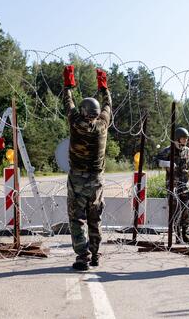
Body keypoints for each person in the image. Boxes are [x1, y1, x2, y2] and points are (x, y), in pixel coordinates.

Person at [62, 65, 112, 271]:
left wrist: (68, 84)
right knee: (95, 217)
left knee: (77, 219)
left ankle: (82, 256)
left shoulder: (76, 122)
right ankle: (95, 253)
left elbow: (68, 102)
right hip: (96, 181)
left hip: (78, 180)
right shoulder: (103, 124)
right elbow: (108, 104)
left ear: (82, 112)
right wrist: (103, 87)